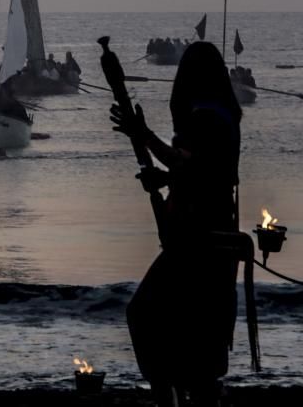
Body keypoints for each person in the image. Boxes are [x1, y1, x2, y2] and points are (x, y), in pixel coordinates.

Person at [111, 41, 243, 406]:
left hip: (200, 239)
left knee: (144, 313)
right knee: (192, 325)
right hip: (212, 235)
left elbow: (190, 166)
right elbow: (205, 172)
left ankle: (167, 393)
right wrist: (166, 181)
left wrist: (143, 135)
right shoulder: (221, 116)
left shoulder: (208, 117)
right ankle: (185, 392)